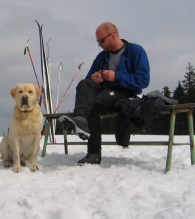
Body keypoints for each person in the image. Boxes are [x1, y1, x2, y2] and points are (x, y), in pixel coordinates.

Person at [59, 22, 150, 165]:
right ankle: (81, 120)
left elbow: (143, 80)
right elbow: (88, 80)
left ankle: (93, 153)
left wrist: (116, 76)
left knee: (94, 104)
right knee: (84, 84)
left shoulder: (136, 51)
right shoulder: (101, 57)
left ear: (113, 35)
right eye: (98, 41)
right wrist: (95, 78)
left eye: (101, 41)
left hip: (126, 93)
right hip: (105, 92)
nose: (99, 44)